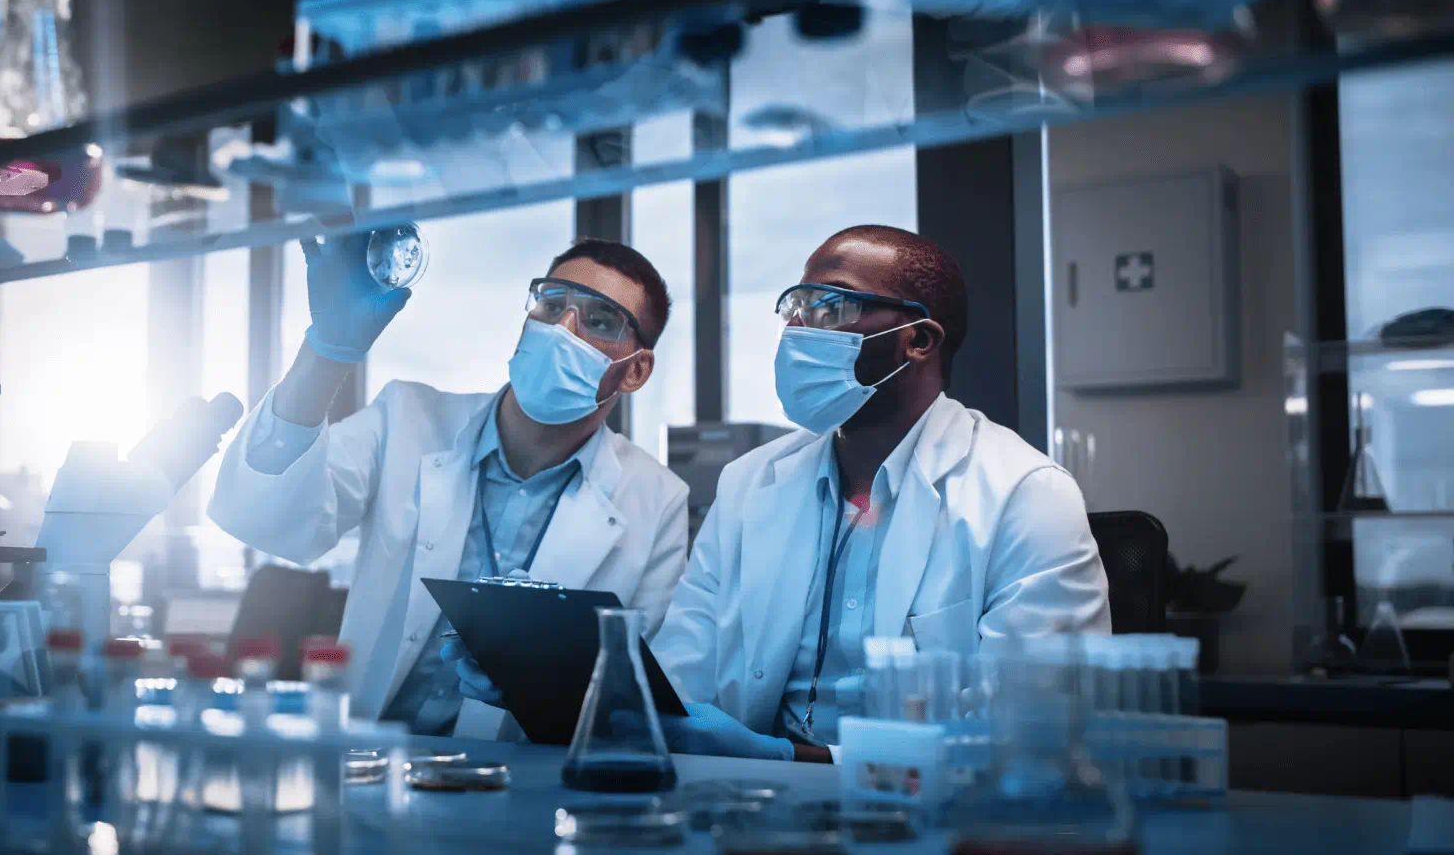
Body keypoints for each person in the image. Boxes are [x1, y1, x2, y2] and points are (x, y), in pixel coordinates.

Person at [650, 224, 1110, 763]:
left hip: (933, 816)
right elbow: (680, 676)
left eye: (830, 307)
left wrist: (793, 759)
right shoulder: (748, 484)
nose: (797, 327)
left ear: (918, 339)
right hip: (750, 806)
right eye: (795, 306)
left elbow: (1033, 726)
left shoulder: (1027, 495)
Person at [209, 233, 690, 740]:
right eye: (551, 305)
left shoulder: (656, 501)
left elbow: (640, 700)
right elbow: (266, 517)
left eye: (597, 321)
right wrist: (327, 352)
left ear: (635, 371)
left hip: (521, 791)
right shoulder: (406, 418)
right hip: (367, 761)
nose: (563, 330)